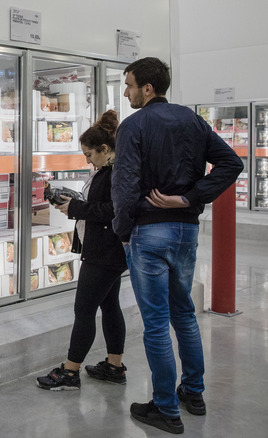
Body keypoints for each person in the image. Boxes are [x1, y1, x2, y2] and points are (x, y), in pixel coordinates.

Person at [111, 57, 243, 434]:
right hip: (186, 232)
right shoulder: (193, 121)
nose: (126, 92)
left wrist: (122, 231)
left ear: (147, 88)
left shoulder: (133, 125)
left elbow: (125, 185)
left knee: (155, 323)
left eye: (129, 85)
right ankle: (193, 394)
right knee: (184, 314)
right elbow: (231, 164)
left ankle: (166, 409)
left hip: (148, 232)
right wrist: (188, 199)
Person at [36, 110, 128, 391]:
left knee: (84, 310)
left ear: (104, 149)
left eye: (89, 154)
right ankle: (114, 366)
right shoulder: (111, 169)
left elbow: (113, 209)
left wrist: (76, 208)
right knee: (110, 305)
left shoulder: (115, 173)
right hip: (111, 251)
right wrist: (75, 203)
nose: (87, 160)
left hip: (103, 252)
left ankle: (70, 372)